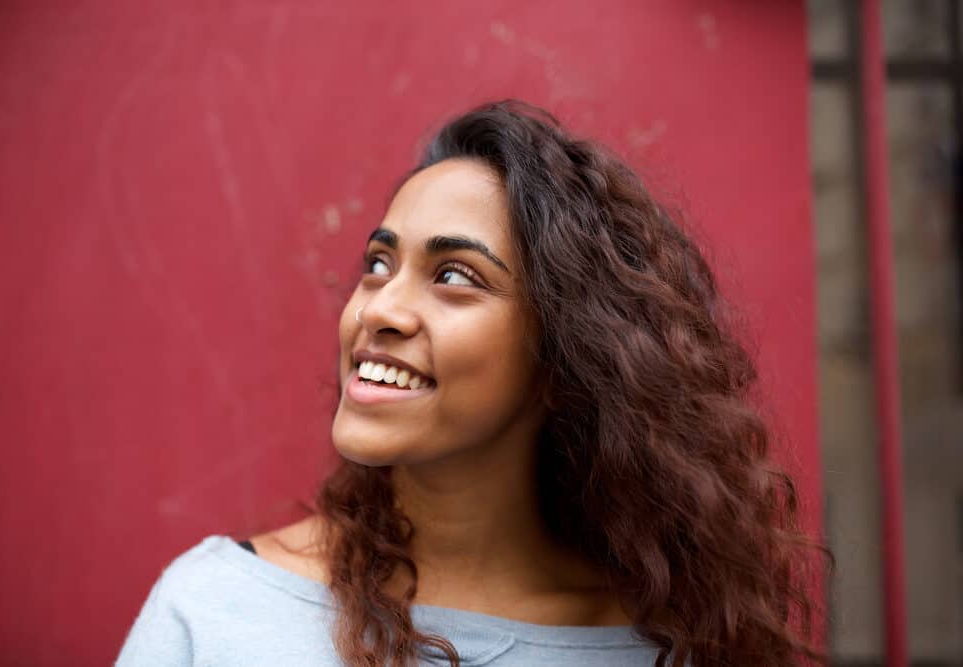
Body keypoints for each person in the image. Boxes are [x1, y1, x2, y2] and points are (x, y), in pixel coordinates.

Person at [116, 100, 828, 667]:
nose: (379, 309)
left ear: (567, 353)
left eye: (454, 276)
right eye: (377, 264)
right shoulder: (215, 610)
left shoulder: (661, 648)